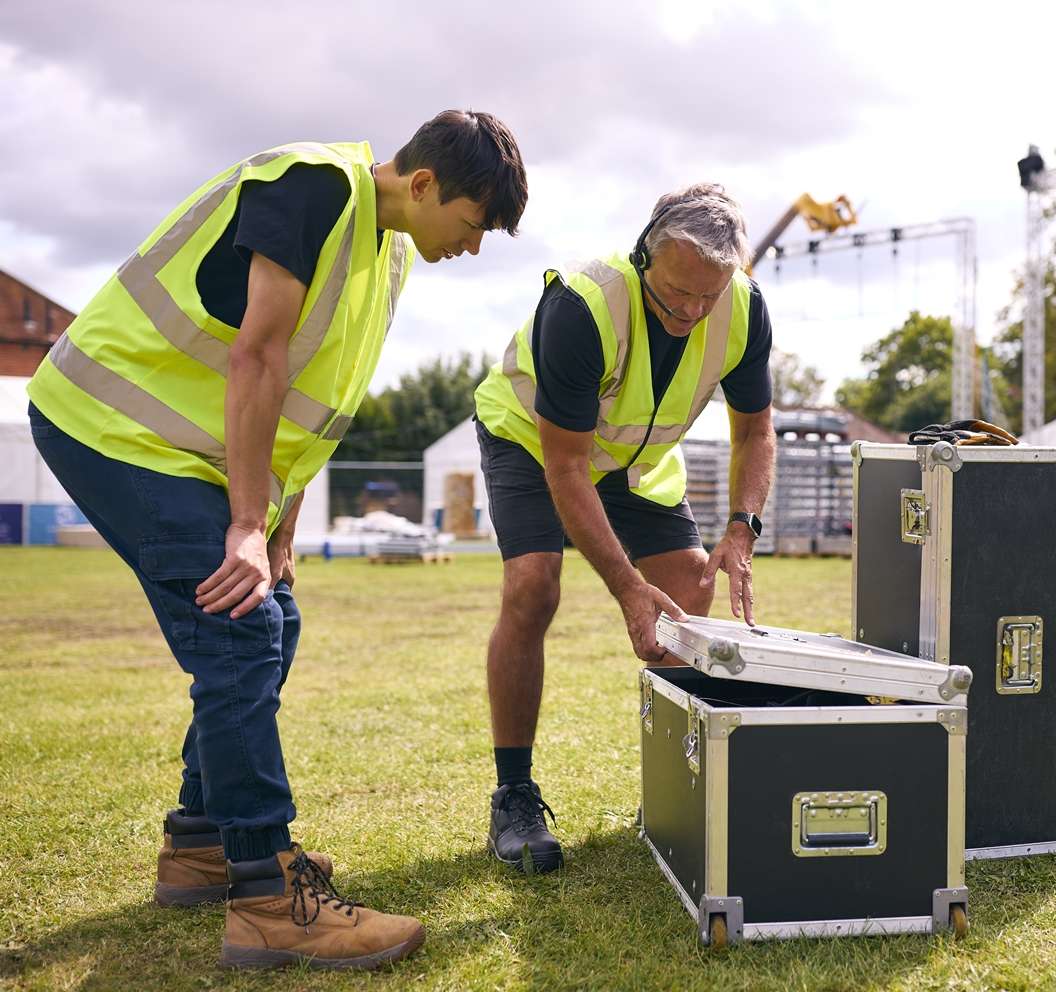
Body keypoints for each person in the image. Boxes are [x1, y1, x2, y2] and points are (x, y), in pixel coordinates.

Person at [27, 110, 527, 971]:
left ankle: (202, 842)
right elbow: (255, 357)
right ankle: (264, 895)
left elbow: (312, 400)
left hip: (189, 453)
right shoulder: (312, 184)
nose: (472, 248)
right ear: (422, 185)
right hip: (110, 422)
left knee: (273, 618)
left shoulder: (389, 253)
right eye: (473, 225)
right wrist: (246, 526)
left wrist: (282, 522)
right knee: (239, 629)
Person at [473, 183, 775, 873]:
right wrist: (625, 587)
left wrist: (742, 526)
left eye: (709, 297)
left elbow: (756, 429)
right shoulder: (583, 306)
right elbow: (569, 466)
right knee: (532, 586)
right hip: (535, 443)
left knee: (690, 594)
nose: (692, 312)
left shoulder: (746, 309)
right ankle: (513, 795)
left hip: (638, 460)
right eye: (677, 295)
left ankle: (677, 792)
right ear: (646, 255)